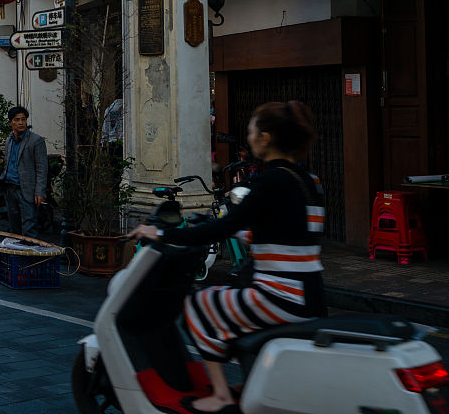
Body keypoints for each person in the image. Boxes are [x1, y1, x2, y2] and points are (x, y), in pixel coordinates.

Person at [127, 100, 327, 414]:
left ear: (265, 138)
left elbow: (224, 225)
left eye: (251, 130)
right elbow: (290, 234)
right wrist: (240, 233)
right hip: (312, 294)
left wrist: (162, 233)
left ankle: (220, 394)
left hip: (280, 295)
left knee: (199, 305)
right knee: (230, 308)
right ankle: (249, 385)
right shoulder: (309, 182)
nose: (248, 137)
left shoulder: (269, 180)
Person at [0, 106, 49, 240]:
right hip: (10, 188)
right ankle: (16, 256)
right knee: (14, 227)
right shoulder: (9, 140)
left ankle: (29, 256)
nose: (21, 123)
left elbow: (42, 168)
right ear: (10, 122)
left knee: (29, 227)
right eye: (17, 120)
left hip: (26, 190)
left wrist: (40, 191)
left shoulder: (36, 141)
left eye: (23, 119)